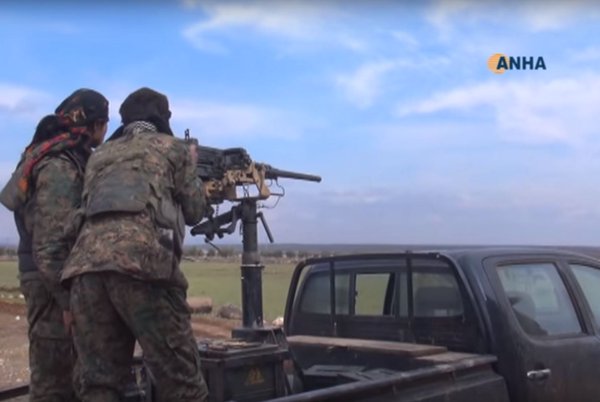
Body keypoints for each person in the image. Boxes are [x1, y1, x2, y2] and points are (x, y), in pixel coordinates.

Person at [61, 87, 209, 402]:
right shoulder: (174, 149)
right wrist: (193, 171)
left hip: (85, 272)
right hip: (143, 267)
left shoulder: (99, 155)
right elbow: (195, 211)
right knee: (183, 385)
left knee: (100, 386)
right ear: (162, 118)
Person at [0, 89, 109, 401]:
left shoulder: (53, 154)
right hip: (51, 282)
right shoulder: (60, 165)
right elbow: (49, 246)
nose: (105, 130)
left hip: (50, 278)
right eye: (103, 122)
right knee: (54, 382)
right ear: (94, 124)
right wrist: (66, 302)